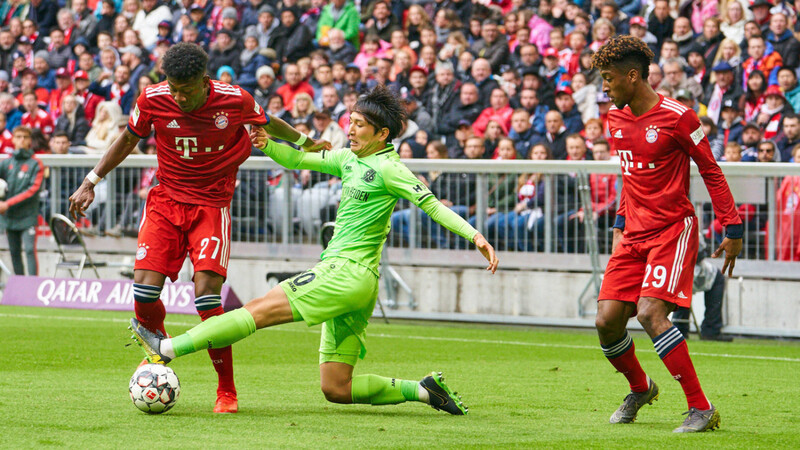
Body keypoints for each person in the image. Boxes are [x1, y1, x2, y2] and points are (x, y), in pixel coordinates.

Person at [130, 85, 498, 415]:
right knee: (337, 387)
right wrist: (267, 144)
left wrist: (475, 236)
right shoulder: (350, 159)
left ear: (382, 133)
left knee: (255, 310)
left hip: (344, 273)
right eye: (349, 122)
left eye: (358, 125)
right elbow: (298, 159)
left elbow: (431, 204)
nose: (349, 130)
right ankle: (423, 391)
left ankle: (167, 349)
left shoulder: (390, 168)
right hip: (359, 283)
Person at [68, 43, 328, 414]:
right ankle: (157, 350)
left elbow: (267, 122)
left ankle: (226, 390)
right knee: (143, 291)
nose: (178, 96)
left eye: (186, 90)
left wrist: (305, 142)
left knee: (207, 298)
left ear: (204, 82)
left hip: (211, 204)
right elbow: (128, 138)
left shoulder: (234, 99)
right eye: (172, 87)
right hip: (165, 201)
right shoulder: (153, 98)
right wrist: (91, 180)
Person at [592, 36, 743, 433]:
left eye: (608, 78)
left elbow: (711, 169)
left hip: (672, 230)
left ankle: (702, 408)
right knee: (606, 321)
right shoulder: (615, 118)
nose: (604, 87)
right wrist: (619, 227)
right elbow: (630, 180)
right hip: (632, 234)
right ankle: (641, 388)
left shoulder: (679, 117)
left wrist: (733, 226)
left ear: (633, 75)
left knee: (650, 313)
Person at [0, 126, 44, 276]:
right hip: (10, 216)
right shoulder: (6, 163)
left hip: (28, 216)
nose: (21, 140)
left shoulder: (36, 164)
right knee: (14, 252)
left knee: (30, 250)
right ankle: (20, 287)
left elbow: (32, 191)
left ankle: (33, 286)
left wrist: (8, 203)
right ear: (13, 140)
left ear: (30, 141)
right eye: (18, 137)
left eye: (25, 137)